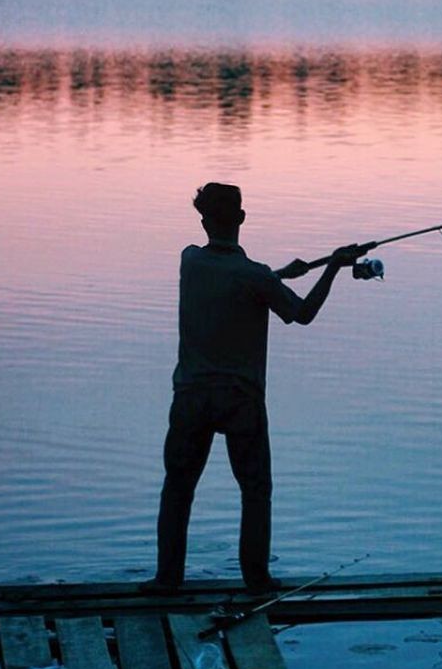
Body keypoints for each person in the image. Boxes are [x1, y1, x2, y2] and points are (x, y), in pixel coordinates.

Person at [146, 182, 365, 594]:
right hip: (240, 400)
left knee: (178, 488)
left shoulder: (190, 261)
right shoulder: (255, 277)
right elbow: (301, 314)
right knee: (255, 491)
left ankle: (167, 579)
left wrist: (280, 275)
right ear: (242, 218)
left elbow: (235, 283)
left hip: (190, 397)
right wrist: (334, 266)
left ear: (203, 219)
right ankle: (257, 579)